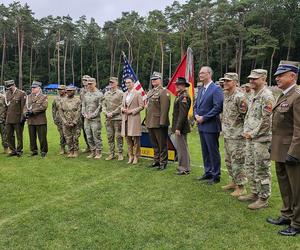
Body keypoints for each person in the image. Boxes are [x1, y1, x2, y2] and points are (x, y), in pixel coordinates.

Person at [267, 61, 300, 236]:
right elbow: (279, 126)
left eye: (281, 75)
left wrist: (294, 152)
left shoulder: (298, 95)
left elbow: (299, 128)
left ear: (292, 76)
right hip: (280, 149)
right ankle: (287, 214)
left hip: (292, 151)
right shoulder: (283, 95)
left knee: (297, 188)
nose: (277, 78)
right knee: (285, 185)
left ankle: (297, 223)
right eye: (277, 76)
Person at [239, 69, 275, 210]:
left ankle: (263, 198)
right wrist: (247, 132)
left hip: (261, 139)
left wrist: (252, 133)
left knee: (262, 169)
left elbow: (267, 120)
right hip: (251, 138)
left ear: (263, 79)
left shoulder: (267, 96)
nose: (251, 81)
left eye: (255, 78)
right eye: (250, 78)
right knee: (250, 167)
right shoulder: (254, 94)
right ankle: (254, 192)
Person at [194, 66, 224, 185]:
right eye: (200, 73)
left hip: (211, 126)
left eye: (202, 73)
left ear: (209, 74)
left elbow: (218, 107)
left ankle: (216, 175)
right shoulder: (201, 89)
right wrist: (196, 115)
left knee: (213, 151)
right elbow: (196, 105)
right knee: (205, 151)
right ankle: (208, 172)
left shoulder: (216, 89)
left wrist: (204, 117)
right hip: (201, 125)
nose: (200, 75)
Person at [221, 73, 248, 196]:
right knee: (229, 160)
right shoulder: (226, 95)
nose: (225, 83)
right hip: (227, 134)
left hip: (237, 136)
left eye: (228, 81)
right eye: (224, 81)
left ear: (235, 82)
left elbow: (246, 117)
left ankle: (241, 187)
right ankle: (234, 181)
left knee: (238, 161)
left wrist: (244, 132)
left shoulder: (240, 97)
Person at [145, 72, 170, 170]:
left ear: (160, 80)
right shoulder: (150, 92)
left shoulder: (164, 91)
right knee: (154, 143)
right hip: (151, 121)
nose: (153, 81)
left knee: (161, 144)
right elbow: (149, 108)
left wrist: (162, 122)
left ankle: (163, 162)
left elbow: (165, 109)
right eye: (152, 79)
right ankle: (156, 160)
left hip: (159, 122)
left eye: (155, 79)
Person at [121, 77, 144, 165]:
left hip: (134, 118)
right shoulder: (124, 94)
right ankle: (130, 155)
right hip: (125, 119)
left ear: (133, 83)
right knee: (128, 138)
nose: (128, 84)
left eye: (129, 82)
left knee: (135, 138)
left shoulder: (137, 93)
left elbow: (141, 106)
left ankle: (136, 156)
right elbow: (122, 105)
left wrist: (131, 111)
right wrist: (122, 109)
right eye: (126, 83)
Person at [172, 77, 192, 175]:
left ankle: (184, 168)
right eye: (176, 84)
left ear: (183, 86)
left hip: (181, 127)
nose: (176, 86)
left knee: (182, 147)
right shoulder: (180, 95)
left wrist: (178, 128)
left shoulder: (184, 96)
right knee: (182, 147)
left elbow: (182, 114)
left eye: (179, 84)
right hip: (180, 126)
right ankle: (185, 166)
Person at [23, 81, 48, 157]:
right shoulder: (29, 96)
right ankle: (34, 151)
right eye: (32, 88)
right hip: (31, 120)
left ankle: (43, 151)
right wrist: (25, 113)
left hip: (40, 120)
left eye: (34, 88)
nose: (32, 89)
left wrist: (32, 112)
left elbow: (43, 107)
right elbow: (25, 106)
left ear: (39, 88)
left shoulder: (44, 96)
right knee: (32, 137)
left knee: (42, 137)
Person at [102, 77, 124, 161]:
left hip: (117, 118)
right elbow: (103, 104)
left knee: (118, 136)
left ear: (117, 83)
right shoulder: (106, 93)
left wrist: (113, 113)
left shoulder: (120, 93)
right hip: (108, 118)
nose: (111, 83)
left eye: (113, 82)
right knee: (110, 136)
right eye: (110, 82)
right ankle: (111, 153)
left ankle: (120, 153)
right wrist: (106, 113)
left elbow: (121, 105)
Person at [82, 77, 103, 159]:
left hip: (95, 119)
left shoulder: (99, 94)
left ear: (95, 84)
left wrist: (92, 115)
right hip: (87, 119)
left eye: (91, 84)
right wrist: (84, 114)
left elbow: (100, 107)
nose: (89, 85)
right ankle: (92, 151)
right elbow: (83, 105)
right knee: (89, 136)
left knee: (96, 136)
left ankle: (98, 152)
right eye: (88, 84)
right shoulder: (86, 94)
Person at [4, 80, 26, 157]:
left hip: (18, 118)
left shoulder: (21, 93)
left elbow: (23, 107)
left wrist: (22, 118)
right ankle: (13, 150)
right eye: (8, 87)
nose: (9, 89)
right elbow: (6, 107)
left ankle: (19, 150)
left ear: (13, 85)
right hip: (8, 118)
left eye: (10, 87)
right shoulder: (7, 94)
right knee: (9, 135)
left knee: (19, 135)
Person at [59, 86, 82, 158]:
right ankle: (70, 151)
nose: (69, 92)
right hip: (66, 122)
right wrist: (65, 121)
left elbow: (79, 111)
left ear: (74, 92)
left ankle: (75, 151)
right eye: (68, 90)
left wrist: (74, 122)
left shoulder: (78, 100)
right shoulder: (62, 100)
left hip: (75, 122)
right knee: (68, 138)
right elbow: (60, 112)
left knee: (75, 137)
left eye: (71, 91)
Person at [52, 85, 67, 155]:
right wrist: (54, 118)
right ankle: (62, 148)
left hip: (68, 119)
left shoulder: (68, 97)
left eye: (61, 89)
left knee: (69, 135)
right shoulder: (56, 99)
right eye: (59, 89)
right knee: (62, 134)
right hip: (59, 119)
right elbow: (54, 109)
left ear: (65, 90)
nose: (60, 91)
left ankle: (71, 148)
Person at [80, 75, 91, 153]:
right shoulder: (81, 90)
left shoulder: (91, 90)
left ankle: (94, 147)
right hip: (82, 113)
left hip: (90, 113)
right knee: (84, 130)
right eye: (83, 80)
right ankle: (88, 146)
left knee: (92, 130)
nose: (84, 81)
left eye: (86, 80)